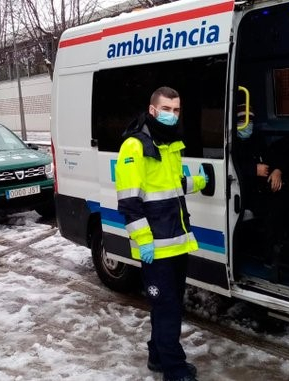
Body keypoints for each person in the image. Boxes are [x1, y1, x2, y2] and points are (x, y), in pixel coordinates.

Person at [115, 86, 207, 381]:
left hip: (176, 241)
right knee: (167, 310)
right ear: (153, 110)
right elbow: (129, 201)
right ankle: (174, 369)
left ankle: (157, 355)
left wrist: (198, 182)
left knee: (168, 306)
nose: (172, 115)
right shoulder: (135, 146)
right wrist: (143, 241)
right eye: (166, 109)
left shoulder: (170, 143)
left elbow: (171, 185)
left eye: (176, 109)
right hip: (156, 245)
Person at [233, 104, 289, 259]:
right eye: (242, 119)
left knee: (287, 201)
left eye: (250, 119)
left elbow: (273, 157)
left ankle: (280, 251)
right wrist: (253, 169)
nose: (247, 123)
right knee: (272, 211)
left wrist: (277, 170)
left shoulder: (256, 139)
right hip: (243, 193)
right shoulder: (232, 143)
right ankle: (270, 256)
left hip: (262, 189)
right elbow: (230, 168)